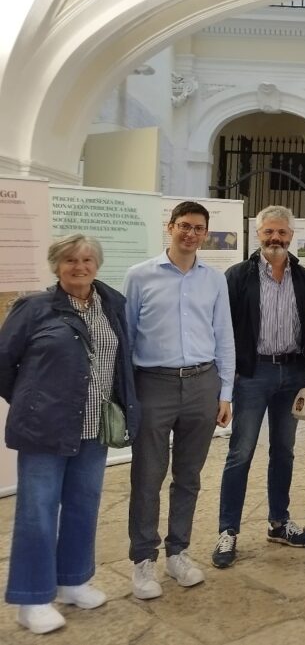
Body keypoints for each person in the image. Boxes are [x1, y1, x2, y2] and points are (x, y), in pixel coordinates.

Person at [0, 235, 139, 635]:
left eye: (87, 259)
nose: (80, 267)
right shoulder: (34, 308)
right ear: (56, 265)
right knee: (38, 512)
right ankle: (32, 600)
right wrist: (30, 401)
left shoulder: (111, 304)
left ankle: (72, 581)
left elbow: (120, 362)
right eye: (70, 260)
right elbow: (3, 363)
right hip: (44, 429)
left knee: (83, 505)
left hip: (94, 429)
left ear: (97, 264)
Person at [123, 200, 235, 599]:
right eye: (184, 225)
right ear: (170, 227)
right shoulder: (140, 276)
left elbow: (224, 336)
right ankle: (143, 560)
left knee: (188, 476)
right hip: (153, 384)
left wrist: (225, 393)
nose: (191, 233)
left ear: (205, 234)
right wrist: (127, 394)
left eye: (198, 228)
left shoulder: (214, 279)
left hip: (202, 384)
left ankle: (178, 553)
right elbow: (127, 337)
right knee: (147, 476)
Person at [212, 205, 305, 568]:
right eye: (269, 232)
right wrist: (225, 381)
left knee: (285, 451)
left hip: (293, 374)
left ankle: (279, 521)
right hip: (252, 375)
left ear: (292, 236)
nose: (275, 238)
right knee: (240, 453)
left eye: (282, 232)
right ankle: (228, 530)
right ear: (257, 234)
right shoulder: (237, 276)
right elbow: (223, 330)